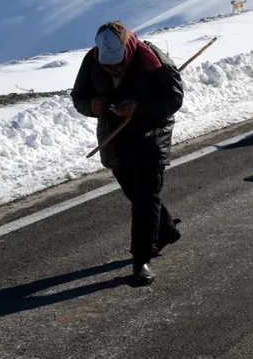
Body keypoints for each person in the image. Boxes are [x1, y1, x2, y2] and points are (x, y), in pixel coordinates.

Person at [72, 21, 184, 285]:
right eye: (106, 63)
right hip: (115, 138)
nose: (112, 67)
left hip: (151, 134)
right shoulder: (92, 60)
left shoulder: (152, 58)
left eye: (117, 61)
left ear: (128, 47)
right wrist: (92, 105)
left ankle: (141, 258)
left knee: (146, 195)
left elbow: (174, 98)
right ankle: (165, 230)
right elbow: (79, 95)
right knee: (135, 193)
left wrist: (139, 107)